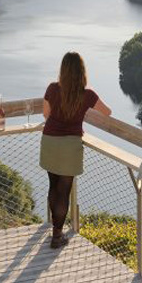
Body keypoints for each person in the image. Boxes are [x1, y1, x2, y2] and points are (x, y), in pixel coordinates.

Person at [40, 52, 111, 248]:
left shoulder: (52, 89)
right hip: (71, 145)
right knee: (64, 191)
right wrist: (82, 112)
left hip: (50, 141)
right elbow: (107, 113)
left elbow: (46, 114)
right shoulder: (87, 95)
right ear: (82, 71)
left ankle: (55, 231)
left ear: (62, 70)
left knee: (53, 187)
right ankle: (57, 235)